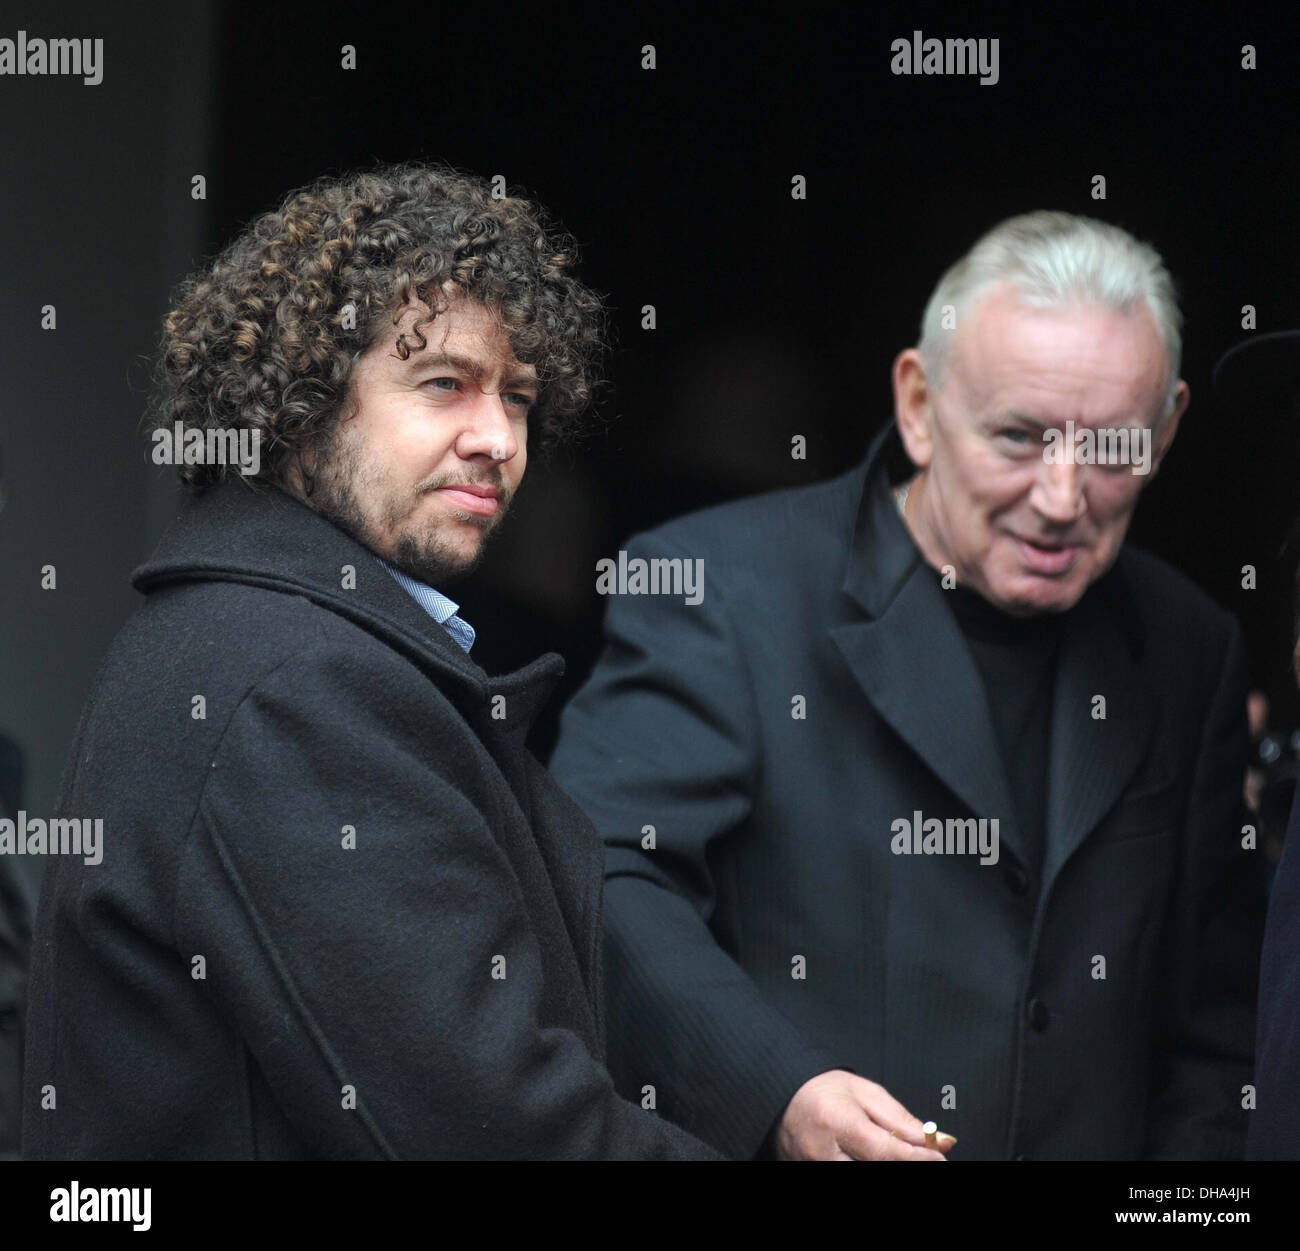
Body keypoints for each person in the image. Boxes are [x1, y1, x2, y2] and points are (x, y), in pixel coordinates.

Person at [21, 161, 722, 1160]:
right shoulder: (294, 680)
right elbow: (495, 1133)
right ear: (299, 404)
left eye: (519, 398)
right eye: (443, 384)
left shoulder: (271, 633)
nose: (497, 439)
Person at [550, 211, 1264, 1161]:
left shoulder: (1190, 646)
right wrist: (780, 1090)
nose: (1061, 498)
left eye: (1111, 449)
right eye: (1017, 436)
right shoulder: (720, 588)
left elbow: (1215, 1028)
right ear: (919, 406)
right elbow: (606, 874)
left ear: (1168, 428)